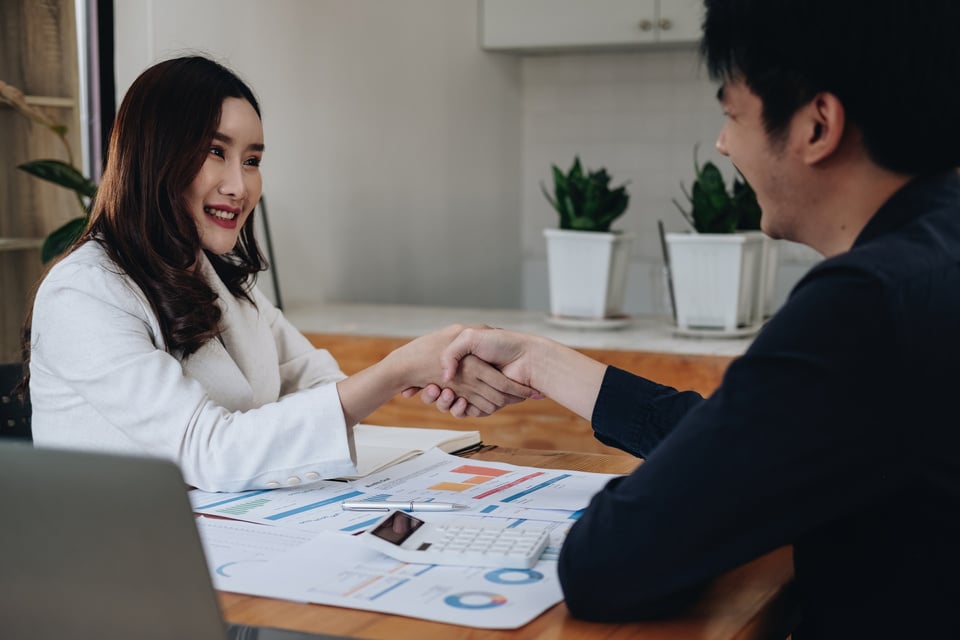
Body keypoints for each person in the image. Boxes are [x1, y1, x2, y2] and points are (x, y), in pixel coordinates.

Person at [432, 0, 960, 636]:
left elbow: (611, 563)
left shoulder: (862, 304)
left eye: (732, 114)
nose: (723, 142)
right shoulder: (933, 256)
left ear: (816, 126)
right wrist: (540, 361)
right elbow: (750, 440)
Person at [23, 55, 535, 493]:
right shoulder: (84, 294)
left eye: (252, 160)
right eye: (216, 152)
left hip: (231, 537)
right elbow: (210, 449)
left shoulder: (214, 276)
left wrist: (427, 371)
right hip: (127, 566)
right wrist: (397, 371)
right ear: (155, 157)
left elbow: (313, 379)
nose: (238, 185)